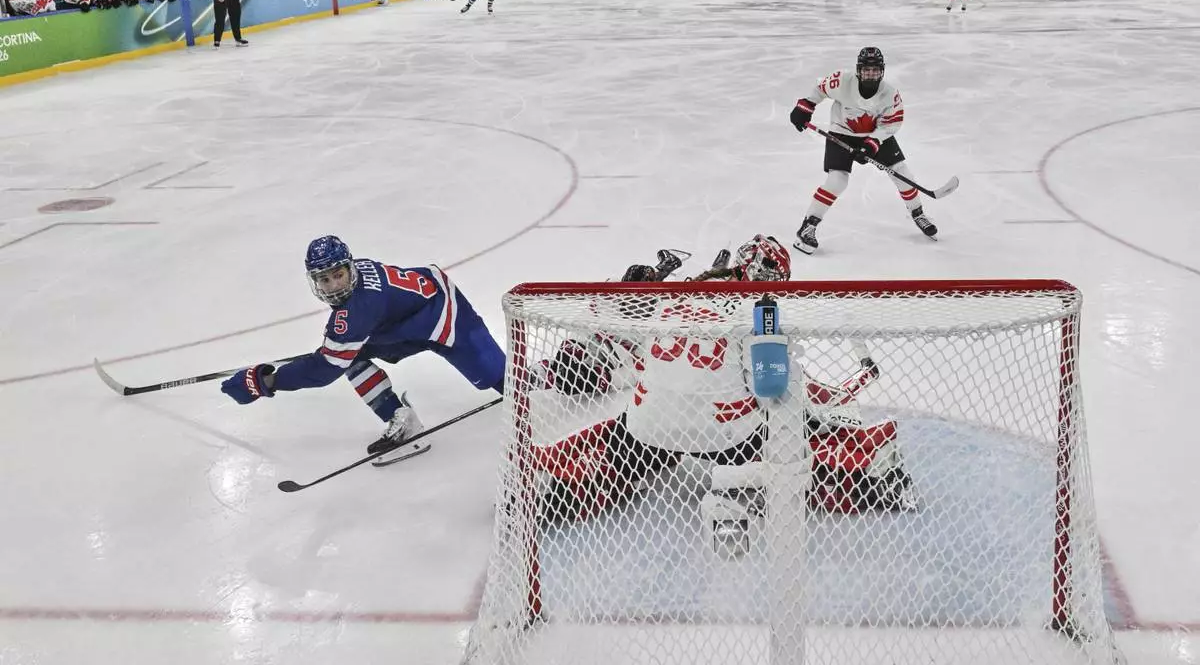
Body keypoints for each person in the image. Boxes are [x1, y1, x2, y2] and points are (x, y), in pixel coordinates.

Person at [532, 236, 915, 527]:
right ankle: (869, 475)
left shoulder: (674, 293)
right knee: (793, 433)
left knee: (624, 429)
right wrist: (812, 413)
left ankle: (553, 481)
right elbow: (772, 388)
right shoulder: (760, 311)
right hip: (724, 440)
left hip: (650, 427)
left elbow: (624, 334)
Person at [220, 236, 506, 458]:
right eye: (325, 279)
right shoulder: (358, 293)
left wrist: (265, 381)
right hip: (401, 323)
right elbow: (336, 353)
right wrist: (334, 352)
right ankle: (400, 418)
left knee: (506, 384)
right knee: (349, 358)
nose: (334, 286)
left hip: (446, 313)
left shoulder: (357, 312)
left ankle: (541, 377)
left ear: (349, 268)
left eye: (338, 275)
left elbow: (323, 371)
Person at [789, 47, 937, 254]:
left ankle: (918, 213)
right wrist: (805, 106)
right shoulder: (842, 80)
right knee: (837, 181)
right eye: (866, 70)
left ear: (882, 71)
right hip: (841, 132)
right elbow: (820, 89)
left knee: (901, 172)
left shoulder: (890, 94)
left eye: (875, 70)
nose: (870, 74)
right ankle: (808, 226)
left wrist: (872, 143)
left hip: (875, 135)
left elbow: (891, 124)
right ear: (858, 70)